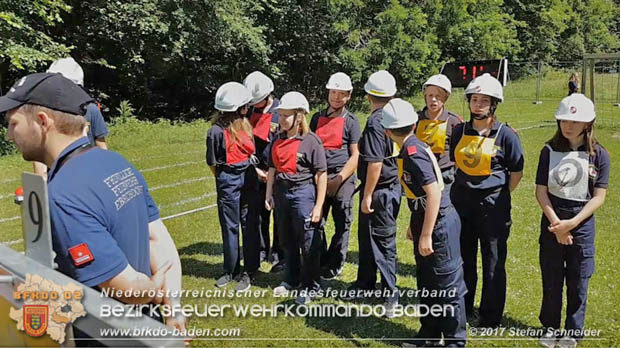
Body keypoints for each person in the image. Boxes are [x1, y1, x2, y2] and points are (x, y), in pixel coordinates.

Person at [1, 73, 186, 335]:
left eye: (13, 124)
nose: (9, 135)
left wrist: (154, 291)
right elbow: (159, 242)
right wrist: (173, 304)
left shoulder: (63, 194)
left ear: (42, 122)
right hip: (147, 325)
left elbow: (129, 290)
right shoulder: (117, 162)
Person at [382, 98, 467, 347]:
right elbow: (417, 193)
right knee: (427, 281)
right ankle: (429, 335)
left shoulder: (413, 153)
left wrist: (427, 233)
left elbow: (434, 192)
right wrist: (415, 223)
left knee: (447, 285)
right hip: (425, 217)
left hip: (439, 222)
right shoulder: (410, 147)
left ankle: (454, 342)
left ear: (387, 131)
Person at [449, 73, 524, 327]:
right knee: (464, 258)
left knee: (493, 262)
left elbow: (517, 171)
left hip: (493, 207)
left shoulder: (506, 135)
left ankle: (490, 316)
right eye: (474, 99)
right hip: (462, 204)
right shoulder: (459, 130)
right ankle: (464, 306)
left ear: (494, 104)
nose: (478, 105)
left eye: (484, 100)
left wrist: (498, 195)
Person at [535, 94, 609, 348]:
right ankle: (550, 328)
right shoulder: (548, 150)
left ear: (588, 124)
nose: (568, 126)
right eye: (564, 120)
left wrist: (572, 224)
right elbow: (541, 190)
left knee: (578, 282)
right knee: (552, 280)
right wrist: (557, 224)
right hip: (552, 225)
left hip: (581, 228)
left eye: (575, 122)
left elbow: (599, 196)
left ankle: (573, 332)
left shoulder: (599, 155)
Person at [342, 70, 401, 316]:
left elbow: (375, 163)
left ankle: (390, 293)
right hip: (389, 186)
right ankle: (365, 284)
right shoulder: (394, 115)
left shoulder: (376, 121)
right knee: (367, 239)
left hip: (380, 189)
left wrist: (367, 195)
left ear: (368, 95)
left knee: (383, 242)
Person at [264, 92, 327, 305]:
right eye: (279, 115)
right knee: (286, 239)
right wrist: (269, 195)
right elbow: (272, 168)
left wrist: (318, 206)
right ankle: (291, 279)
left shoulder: (312, 141)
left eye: (285, 116)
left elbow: (321, 174)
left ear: (299, 117)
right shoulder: (277, 139)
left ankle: (311, 286)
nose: (280, 120)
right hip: (282, 194)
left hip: (303, 193)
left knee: (308, 242)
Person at [206, 82, 260, 292]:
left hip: (247, 178)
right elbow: (212, 162)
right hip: (229, 179)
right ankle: (231, 270)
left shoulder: (245, 126)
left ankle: (249, 270)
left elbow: (213, 164)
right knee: (231, 226)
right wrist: (224, 180)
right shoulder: (216, 132)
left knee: (248, 224)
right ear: (240, 108)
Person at [309, 72, 361, 280]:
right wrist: (317, 178)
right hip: (319, 176)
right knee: (316, 219)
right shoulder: (316, 118)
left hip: (343, 177)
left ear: (348, 96)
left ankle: (335, 262)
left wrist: (338, 179)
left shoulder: (352, 121)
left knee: (342, 220)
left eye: (341, 94)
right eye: (333, 92)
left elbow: (356, 155)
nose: (336, 97)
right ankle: (319, 258)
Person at [32, 58, 110, 179]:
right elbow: (40, 156)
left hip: (88, 175)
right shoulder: (44, 113)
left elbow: (101, 146)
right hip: (59, 178)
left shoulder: (91, 110)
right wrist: (41, 186)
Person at [243, 71, 285, 272]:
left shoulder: (281, 111)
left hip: (277, 171)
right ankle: (260, 251)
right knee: (258, 214)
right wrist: (256, 169)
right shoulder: (249, 112)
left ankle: (279, 253)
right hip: (255, 170)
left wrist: (273, 172)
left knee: (279, 215)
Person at [417, 74, 463, 194]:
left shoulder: (453, 121)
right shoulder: (415, 119)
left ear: (445, 98)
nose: (433, 100)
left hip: (445, 175)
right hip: (420, 172)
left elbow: (459, 152)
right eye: (430, 95)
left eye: (438, 96)